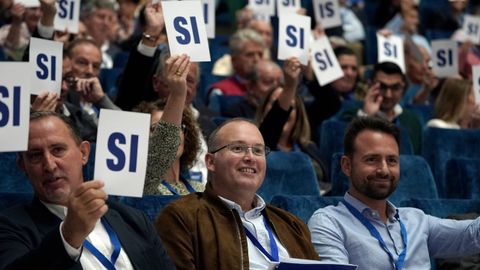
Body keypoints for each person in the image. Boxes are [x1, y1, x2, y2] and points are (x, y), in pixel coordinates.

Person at [0, 111, 176, 269]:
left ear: (84, 153)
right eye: (35, 155)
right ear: (23, 166)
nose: (49, 165)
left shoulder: (133, 219)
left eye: (58, 150)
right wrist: (68, 235)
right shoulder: (10, 226)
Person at [307, 116, 480, 269]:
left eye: (391, 160)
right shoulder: (329, 223)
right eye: (372, 159)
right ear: (347, 165)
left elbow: (473, 235)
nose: (384, 170)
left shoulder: (416, 220)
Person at [156, 118, 319, 270]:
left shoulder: (293, 224)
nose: (250, 157)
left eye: (258, 151)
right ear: (211, 162)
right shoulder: (181, 217)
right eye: (238, 148)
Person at [338, 61, 423, 154]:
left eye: (395, 87)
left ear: (403, 88)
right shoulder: (350, 113)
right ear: (371, 85)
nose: (388, 94)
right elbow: (344, 153)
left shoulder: (411, 119)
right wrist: (366, 116)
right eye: (382, 87)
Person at [135, 100, 204, 195]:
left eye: (177, 127)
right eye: (157, 128)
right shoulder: (140, 188)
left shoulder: (200, 188)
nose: (171, 135)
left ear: (186, 136)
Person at [208, 28, 265, 102]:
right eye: (250, 55)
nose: (257, 60)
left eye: (260, 55)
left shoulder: (269, 90)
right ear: (234, 60)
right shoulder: (220, 92)